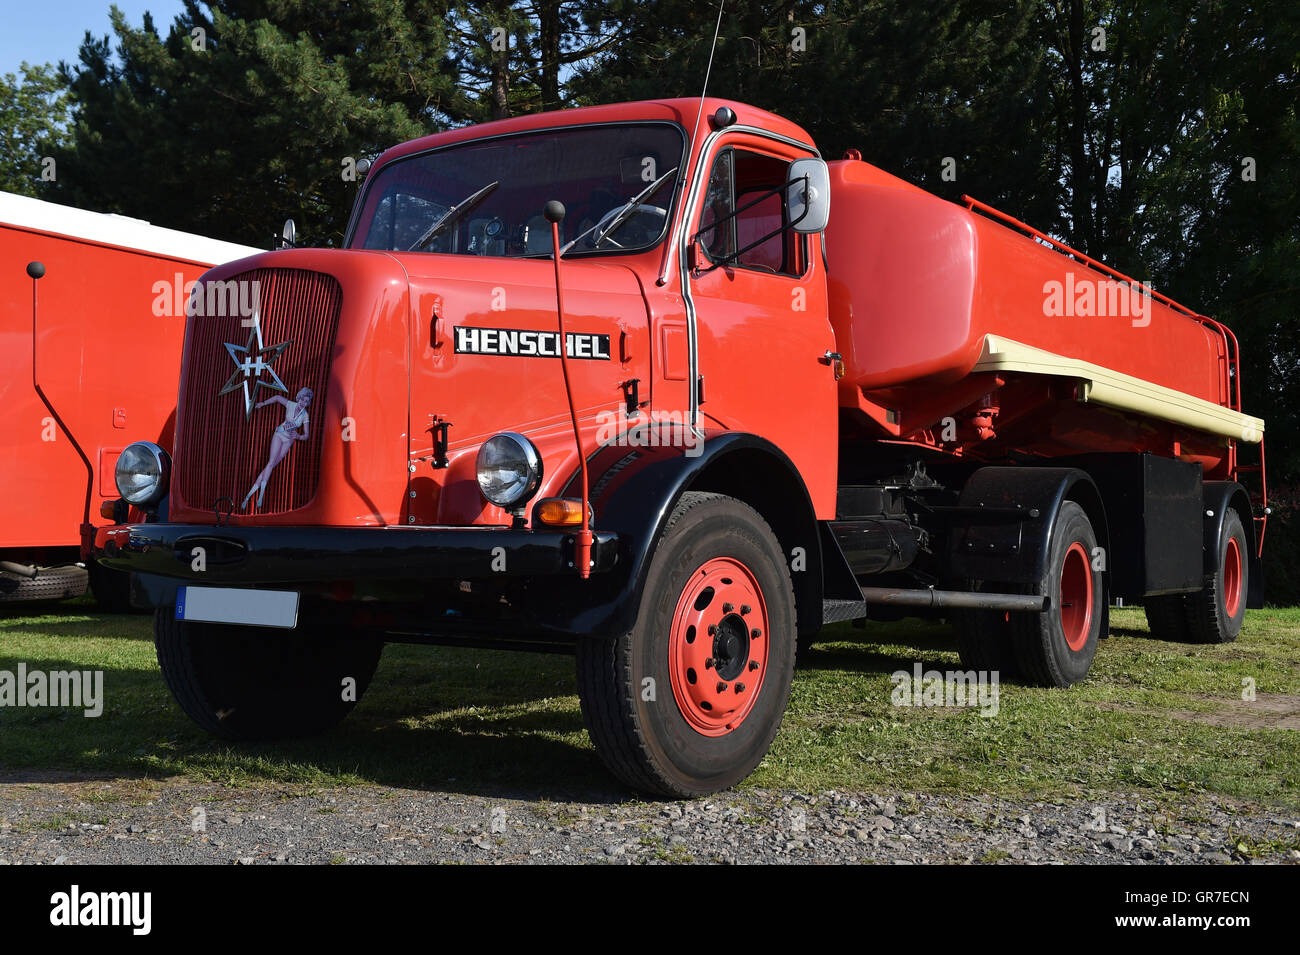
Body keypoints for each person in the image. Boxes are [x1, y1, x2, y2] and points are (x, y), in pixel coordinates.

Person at [241, 387, 313, 510]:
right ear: (299, 398)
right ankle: (261, 495)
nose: (303, 403)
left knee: (270, 466)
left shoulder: (305, 415)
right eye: (302, 400)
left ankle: (249, 496)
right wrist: (263, 403)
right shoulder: (290, 405)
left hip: (289, 440)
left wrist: (299, 436)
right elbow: (277, 398)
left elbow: (306, 435)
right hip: (279, 434)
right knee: (270, 463)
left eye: (306, 401)